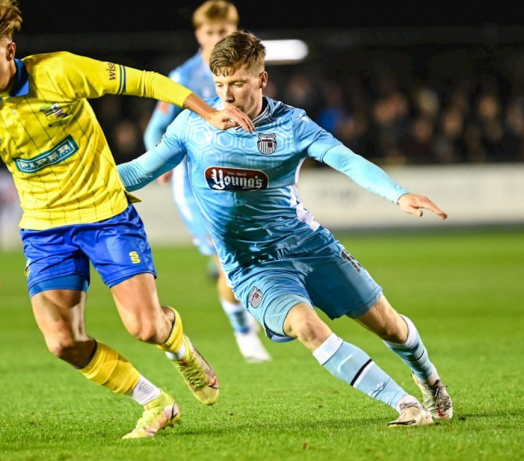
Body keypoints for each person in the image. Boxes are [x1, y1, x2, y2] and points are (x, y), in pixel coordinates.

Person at [0, 0, 255, 440]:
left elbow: (144, 82)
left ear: (9, 50)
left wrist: (207, 112)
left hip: (106, 215)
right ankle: (154, 402)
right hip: (45, 231)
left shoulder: (61, 71)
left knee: (146, 328)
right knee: (61, 342)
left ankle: (181, 349)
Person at [118, 30, 453, 427]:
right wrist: (79, 179)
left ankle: (429, 380)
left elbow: (345, 160)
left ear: (261, 80)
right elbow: (140, 170)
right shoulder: (193, 125)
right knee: (306, 327)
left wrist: (398, 195)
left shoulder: (292, 125)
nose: (226, 95)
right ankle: (404, 405)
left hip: (309, 245)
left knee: (392, 328)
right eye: (220, 84)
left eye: (237, 83)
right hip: (253, 266)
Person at [143, 0, 271, 363]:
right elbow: (155, 128)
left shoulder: (249, 71)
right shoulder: (182, 78)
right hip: (197, 186)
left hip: (242, 180)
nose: (217, 38)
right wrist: (161, 160)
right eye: (211, 32)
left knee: (250, 253)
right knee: (229, 258)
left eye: (224, 32)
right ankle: (245, 334)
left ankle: (250, 305)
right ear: (199, 34)